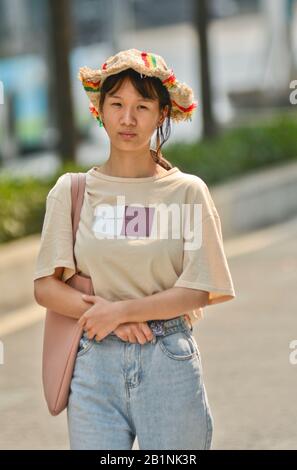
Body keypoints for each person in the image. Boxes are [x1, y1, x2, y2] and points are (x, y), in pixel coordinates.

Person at [33, 48, 236, 450]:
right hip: (93, 366)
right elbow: (46, 288)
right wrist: (108, 319)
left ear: (162, 114)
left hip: (168, 361)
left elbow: (198, 288)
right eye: (117, 104)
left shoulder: (187, 192)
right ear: (100, 111)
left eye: (142, 106)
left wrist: (122, 312)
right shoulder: (72, 191)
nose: (128, 119)